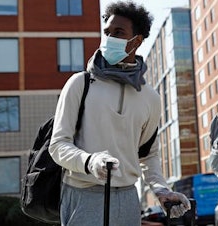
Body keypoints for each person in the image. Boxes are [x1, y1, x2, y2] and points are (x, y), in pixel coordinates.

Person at [48, 2, 190, 225]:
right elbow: (57, 145)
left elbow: (148, 155)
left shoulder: (150, 98)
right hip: (82, 194)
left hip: (127, 198)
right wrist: (89, 161)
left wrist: (162, 191)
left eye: (118, 32)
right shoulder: (80, 83)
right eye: (107, 32)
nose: (109, 38)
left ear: (137, 41)